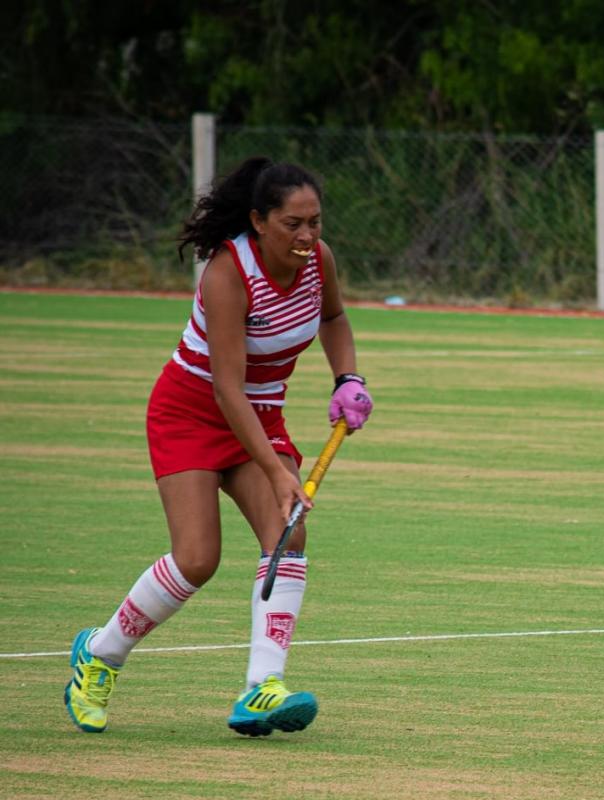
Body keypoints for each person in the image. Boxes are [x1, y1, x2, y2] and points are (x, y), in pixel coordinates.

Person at [63, 157, 373, 737]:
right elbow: (227, 390)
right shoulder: (228, 273)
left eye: (315, 222)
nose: (307, 236)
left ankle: (261, 688)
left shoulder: (318, 262)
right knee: (197, 559)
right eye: (293, 224)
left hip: (260, 412)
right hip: (192, 410)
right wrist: (279, 473)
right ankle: (99, 657)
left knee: (289, 531)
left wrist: (347, 379)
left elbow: (334, 318)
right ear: (258, 220)